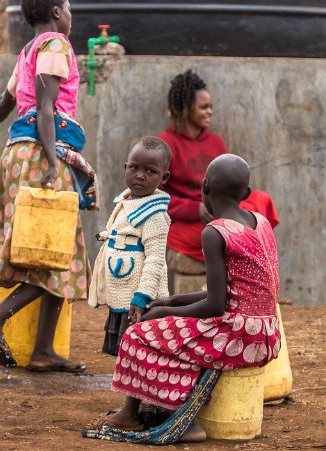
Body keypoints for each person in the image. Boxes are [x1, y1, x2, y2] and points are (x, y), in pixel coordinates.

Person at [84, 154, 281, 444]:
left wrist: (163, 315)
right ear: (247, 194)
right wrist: (168, 304)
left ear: (204, 188)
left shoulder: (215, 232)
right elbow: (230, 294)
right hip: (265, 333)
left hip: (237, 336)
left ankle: (175, 418)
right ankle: (147, 409)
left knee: (138, 335)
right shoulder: (259, 222)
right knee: (163, 322)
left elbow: (215, 305)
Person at [0, 0, 94, 373]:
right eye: (69, 8)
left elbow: (5, 100)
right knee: (60, 250)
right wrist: (55, 163)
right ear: (57, 12)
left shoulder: (27, 51)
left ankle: (42, 351)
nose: (71, 17)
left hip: (15, 154)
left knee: (49, 254)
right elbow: (45, 106)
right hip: (41, 153)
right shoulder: (55, 45)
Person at [159, 70, 279, 291]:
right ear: (185, 109)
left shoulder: (216, 143)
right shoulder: (166, 145)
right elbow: (156, 199)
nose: (210, 112)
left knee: (262, 202)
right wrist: (195, 208)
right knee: (231, 230)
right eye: (204, 107)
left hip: (221, 212)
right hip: (190, 221)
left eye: (211, 106)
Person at [88, 137, 173, 357]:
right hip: (122, 292)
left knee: (138, 351)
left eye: (150, 171)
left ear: (164, 177)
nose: (140, 175)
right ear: (125, 167)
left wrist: (142, 296)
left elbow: (155, 259)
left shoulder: (155, 215)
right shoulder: (126, 202)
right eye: (134, 168)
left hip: (138, 300)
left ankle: (137, 390)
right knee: (124, 353)